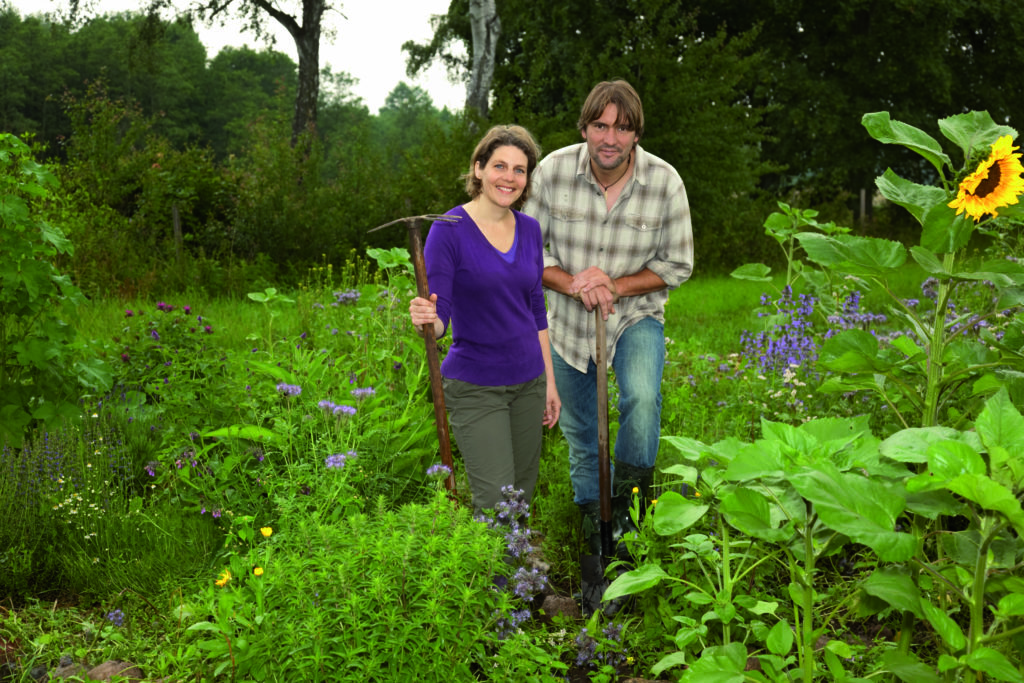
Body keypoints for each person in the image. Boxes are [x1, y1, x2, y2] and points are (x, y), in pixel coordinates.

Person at [523, 80, 693, 607]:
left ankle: (626, 518)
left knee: (640, 399)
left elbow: (678, 265)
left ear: (636, 132)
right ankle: (594, 533)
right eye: (601, 125)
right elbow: (526, 252)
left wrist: (614, 284)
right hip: (569, 323)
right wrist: (575, 283)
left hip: (635, 315)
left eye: (622, 127)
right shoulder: (552, 172)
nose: (610, 137)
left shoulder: (664, 182)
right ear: (585, 128)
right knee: (582, 434)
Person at [409, 125, 561, 515]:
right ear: (478, 168)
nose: (508, 178)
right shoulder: (449, 230)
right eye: (499, 166)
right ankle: (497, 578)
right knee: (497, 503)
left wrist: (549, 383)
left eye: (519, 170)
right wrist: (426, 318)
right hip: (476, 386)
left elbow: (536, 310)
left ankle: (519, 576)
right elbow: (439, 316)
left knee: (522, 498)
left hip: (529, 382)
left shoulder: (529, 229)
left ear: (527, 178)